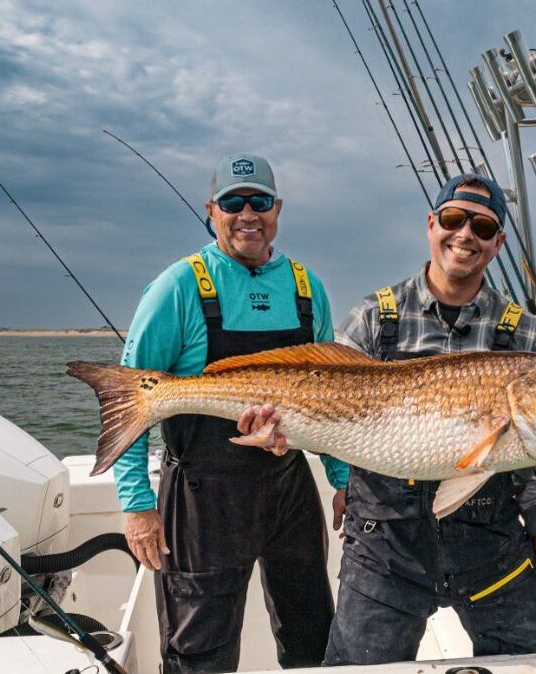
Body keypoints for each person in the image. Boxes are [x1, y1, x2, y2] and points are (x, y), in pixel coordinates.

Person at [244, 173, 536, 665]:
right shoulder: (376, 316)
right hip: (384, 553)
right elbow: (331, 420)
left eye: (482, 228)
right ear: (431, 224)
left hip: (492, 549)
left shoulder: (522, 332)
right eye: (454, 220)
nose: (465, 236)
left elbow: (526, 448)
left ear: (498, 242)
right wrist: (283, 435)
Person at [114, 153, 347, 673]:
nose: (248, 213)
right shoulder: (177, 287)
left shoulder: (308, 286)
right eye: (233, 202)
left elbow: (333, 395)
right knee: (201, 652)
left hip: (289, 487)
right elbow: (132, 397)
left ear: (277, 208)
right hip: (202, 498)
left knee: (313, 633)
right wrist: (136, 505)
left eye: (259, 201)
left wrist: (341, 480)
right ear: (211, 210)